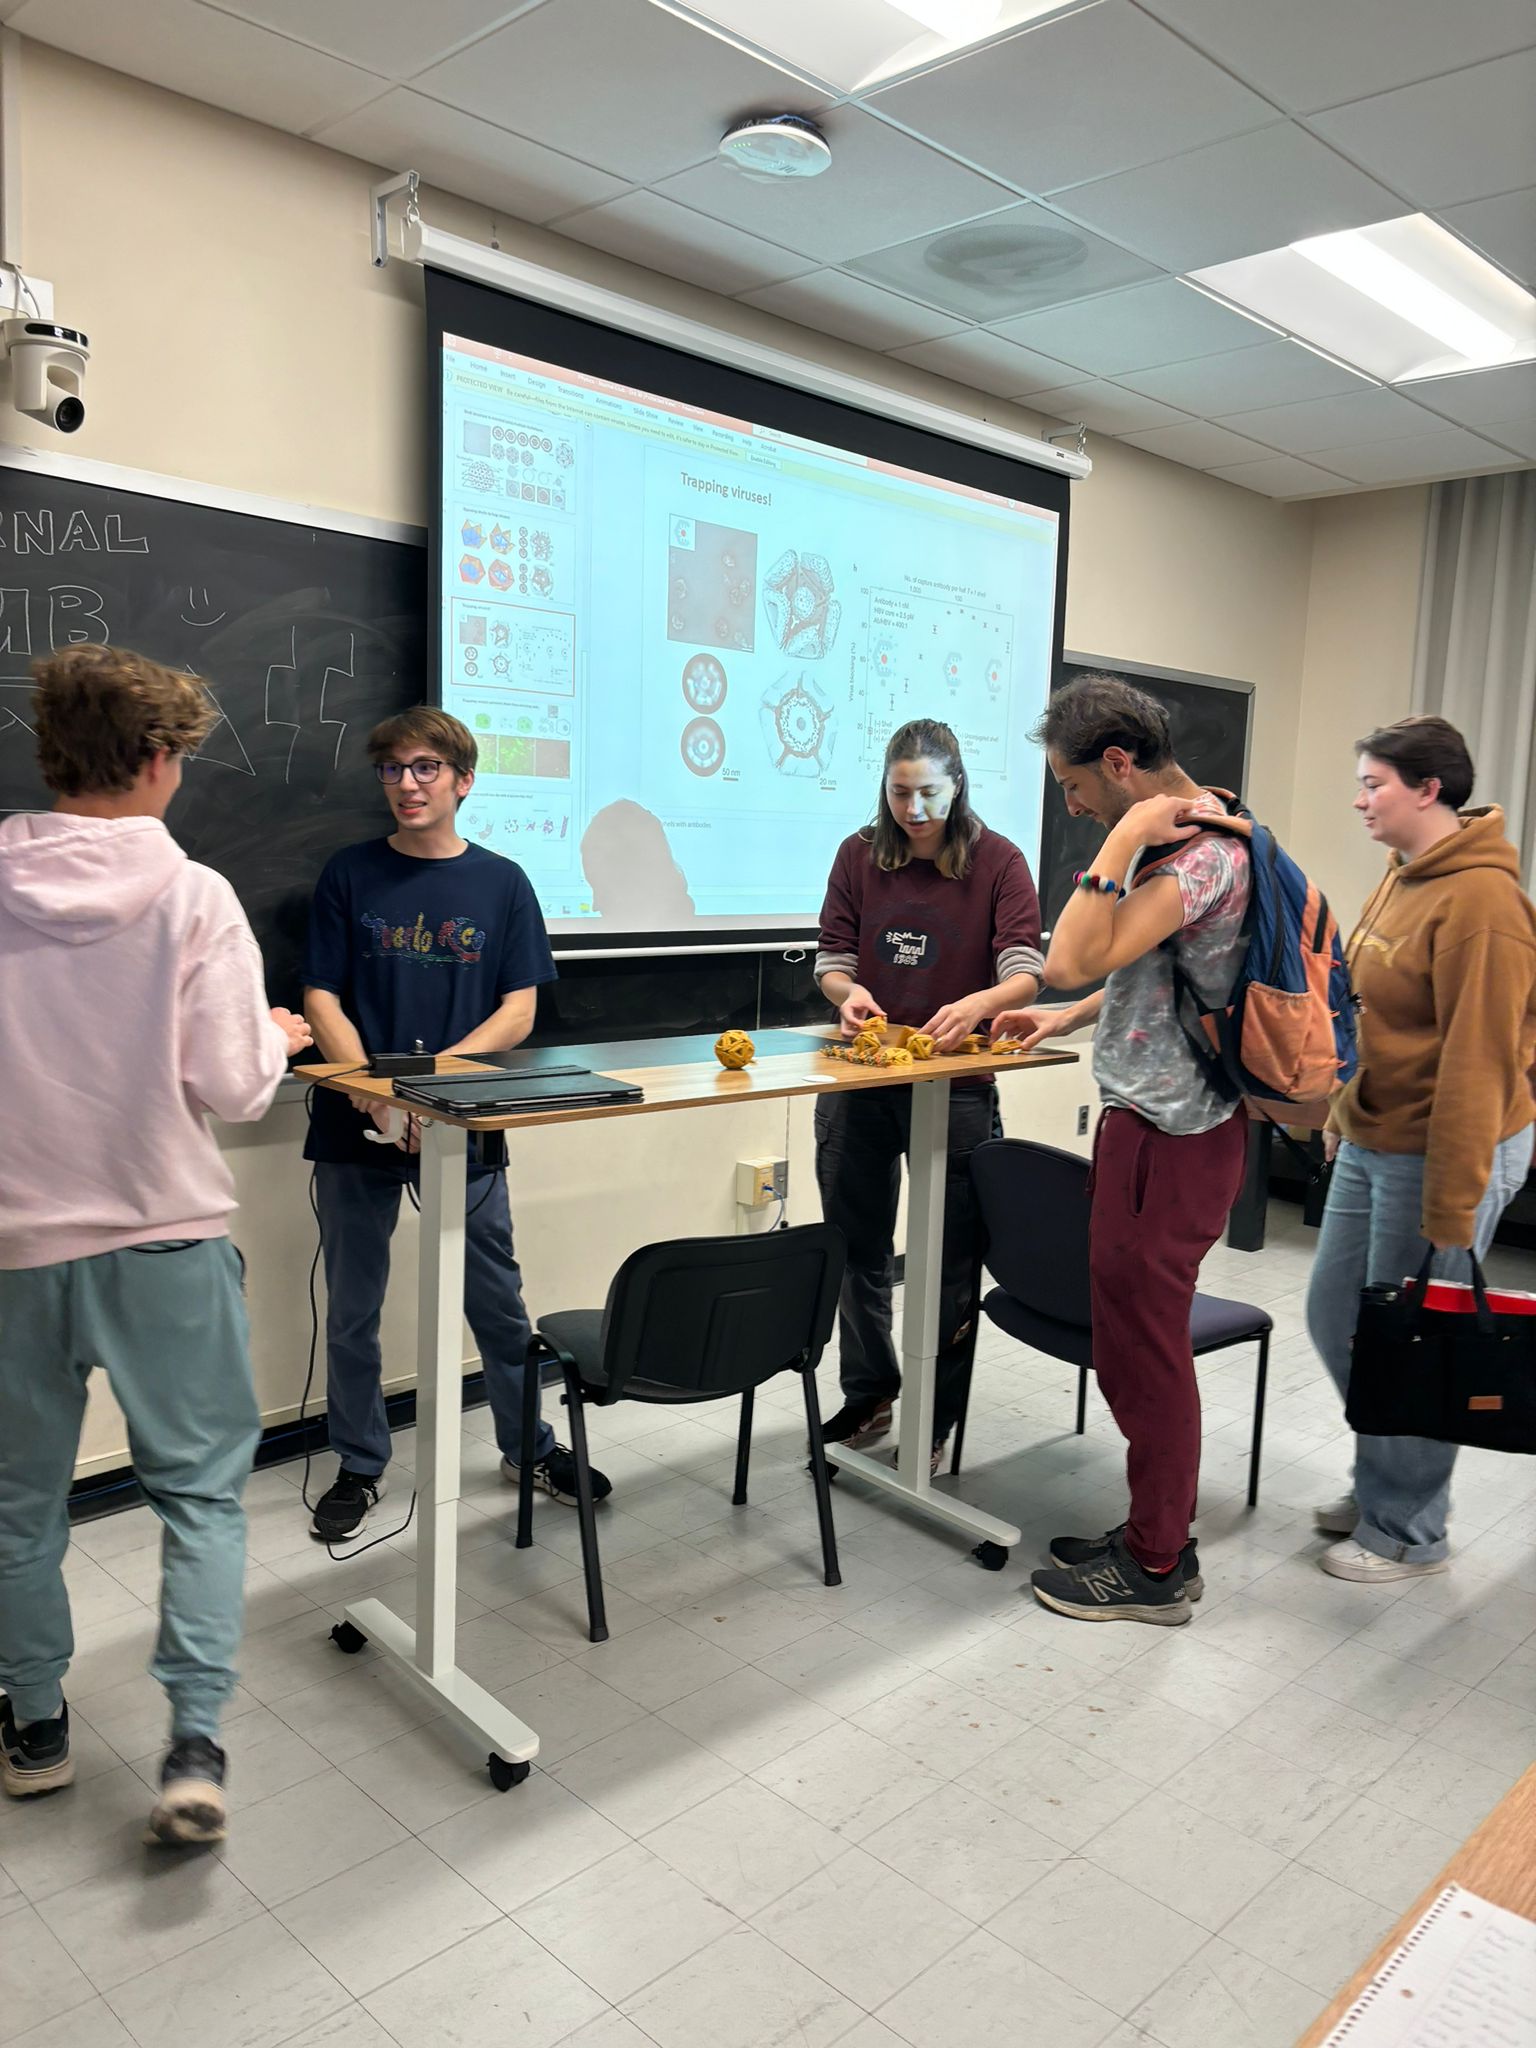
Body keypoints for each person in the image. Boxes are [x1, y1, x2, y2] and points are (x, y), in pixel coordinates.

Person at [0, 645, 309, 1841]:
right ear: (158, 758)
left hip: (16, 1250)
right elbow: (233, 1084)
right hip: (164, 1243)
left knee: (17, 1506)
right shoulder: (195, 897)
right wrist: (276, 1033)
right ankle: (192, 1745)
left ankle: (35, 1727)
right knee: (202, 1499)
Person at [301, 706, 609, 1542]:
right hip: (356, 1124)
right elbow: (320, 997)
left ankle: (526, 1447)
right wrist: (376, 1093)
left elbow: (518, 1010)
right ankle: (360, 1463)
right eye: (393, 769)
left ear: (463, 780)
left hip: (463, 1120)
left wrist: (431, 1092)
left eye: (426, 768)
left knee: (497, 1302)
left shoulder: (502, 882)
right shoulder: (349, 874)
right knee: (354, 1308)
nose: (407, 784)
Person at [994, 673, 1251, 1626]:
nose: (1071, 807)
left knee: (1145, 1353)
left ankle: (1155, 1566)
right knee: (1135, 1344)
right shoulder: (1197, 840)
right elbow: (1160, 967)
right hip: (1157, 1130)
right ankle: (1156, 1530)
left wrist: (1123, 836)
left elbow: (1067, 956)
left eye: (1073, 787)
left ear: (1117, 763)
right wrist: (1068, 1020)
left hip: (1171, 1137)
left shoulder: (1200, 855)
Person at [1306, 717, 1536, 1582]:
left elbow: (1480, 1064)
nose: (1360, 800)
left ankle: (1407, 1527)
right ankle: (1386, 1478)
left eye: (1375, 785)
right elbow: (1364, 1012)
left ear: (1429, 789)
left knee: (1413, 1337)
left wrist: (1452, 1206)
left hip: (1444, 1150)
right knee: (1338, 1316)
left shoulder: (1484, 905)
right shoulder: (1403, 875)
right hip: (1378, 1133)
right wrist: (1340, 1109)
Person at [813, 717, 1044, 1471]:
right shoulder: (857, 854)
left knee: (950, 1260)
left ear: (958, 786)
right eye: (900, 792)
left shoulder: (999, 862)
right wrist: (846, 993)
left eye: (929, 794)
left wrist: (980, 1004)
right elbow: (833, 959)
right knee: (856, 1248)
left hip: (957, 1089)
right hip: (863, 1079)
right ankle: (869, 1392)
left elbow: (1025, 972)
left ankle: (934, 1420)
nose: (913, 809)